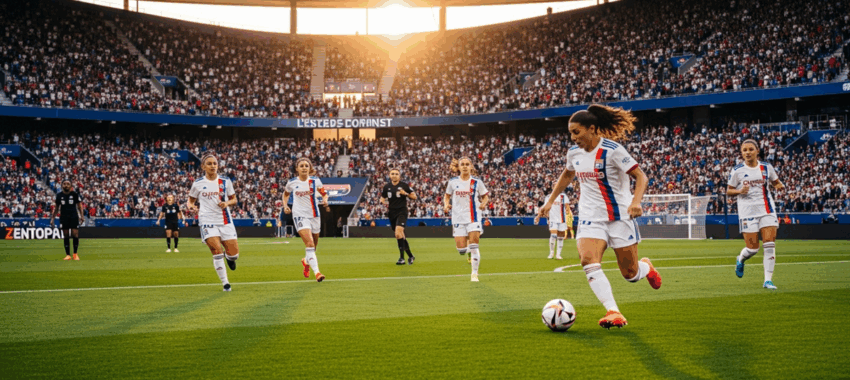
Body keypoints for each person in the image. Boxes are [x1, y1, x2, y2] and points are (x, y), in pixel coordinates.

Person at [539, 104, 661, 329]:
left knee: (631, 275)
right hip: (589, 218)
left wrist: (636, 202)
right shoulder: (574, 154)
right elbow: (567, 174)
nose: (574, 138)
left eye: (577, 132)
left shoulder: (613, 150)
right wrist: (550, 201)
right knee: (588, 261)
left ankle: (647, 268)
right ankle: (613, 311)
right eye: (570, 133)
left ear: (592, 129)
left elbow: (640, 176)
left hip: (619, 218)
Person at [727, 139, 785, 290]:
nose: (747, 152)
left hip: (767, 210)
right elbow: (729, 190)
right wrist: (740, 191)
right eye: (744, 150)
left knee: (769, 245)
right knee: (753, 248)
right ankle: (740, 259)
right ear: (741, 152)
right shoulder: (737, 170)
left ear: (757, 151)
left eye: (750, 149)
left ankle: (768, 280)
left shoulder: (766, 167)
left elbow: (775, 182)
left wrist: (779, 186)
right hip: (747, 212)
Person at [187, 153, 240, 292]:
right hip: (206, 221)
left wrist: (227, 203)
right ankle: (226, 283)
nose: (212, 166)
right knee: (217, 252)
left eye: (215, 163)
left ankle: (230, 259)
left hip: (225, 220)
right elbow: (190, 200)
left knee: (234, 254)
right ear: (203, 166)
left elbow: (234, 199)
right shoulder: (198, 183)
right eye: (209, 163)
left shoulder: (225, 181)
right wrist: (191, 206)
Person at [283, 158, 331, 282]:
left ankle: (306, 261)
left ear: (310, 168)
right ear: (297, 169)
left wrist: (325, 199)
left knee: (313, 246)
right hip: (299, 215)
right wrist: (285, 205)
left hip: (314, 215)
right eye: (301, 165)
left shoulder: (316, 181)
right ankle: (317, 273)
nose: (304, 167)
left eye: (306, 165)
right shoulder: (292, 182)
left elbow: (324, 193)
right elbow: (286, 194)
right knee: (309, 244)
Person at [444, 157, 490, 282]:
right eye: (462, 164)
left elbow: (485, 196)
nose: (464, 166)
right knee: (461, 250)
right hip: (458, 218)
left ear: (471, 167)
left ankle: (474, 274)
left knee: (474, 246)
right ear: (458, 167)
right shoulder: (452, 182)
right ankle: (467, 251)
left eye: (467, 164)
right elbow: (447, 196)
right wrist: (446, 204)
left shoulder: (477, 182)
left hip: (474, 217)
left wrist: (483, 203)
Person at [381, 168, 417, 265]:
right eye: (392, 173)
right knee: (401, 236)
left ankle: (402, 258)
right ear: (389, 175)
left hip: (402, 211)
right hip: (391, 213)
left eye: (396, 174)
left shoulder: (404, 185)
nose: (394, 175)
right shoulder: (386, 186)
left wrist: (405, 194)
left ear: (399, 176)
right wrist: (382, 201)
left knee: (398, 234)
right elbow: (383, 196)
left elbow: (414, 197)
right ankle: (411, 256)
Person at [50, 179, 84, 260]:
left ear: (71, 186)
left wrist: (82, 216)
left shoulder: (75, 194)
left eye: (68, 184)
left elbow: (79, 206)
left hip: (74, 216)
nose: (66, 185)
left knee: (75, 234)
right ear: (62, 185)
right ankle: (68, 255)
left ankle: (75, 254)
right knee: (66, 235)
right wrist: (52, 218)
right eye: (64, 184)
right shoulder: (59, 195)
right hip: (64, 217)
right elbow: (56, 208)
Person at [534, 191, 570, 259]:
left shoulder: (563, 196)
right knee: (553, 235)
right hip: (553, 219)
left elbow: (567, 207)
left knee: (560, 238)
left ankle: (558, 254)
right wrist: (538, 216)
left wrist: (568, 216)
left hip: (562, 219)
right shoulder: (549, 196)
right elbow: (545, 207)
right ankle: (551, 253)